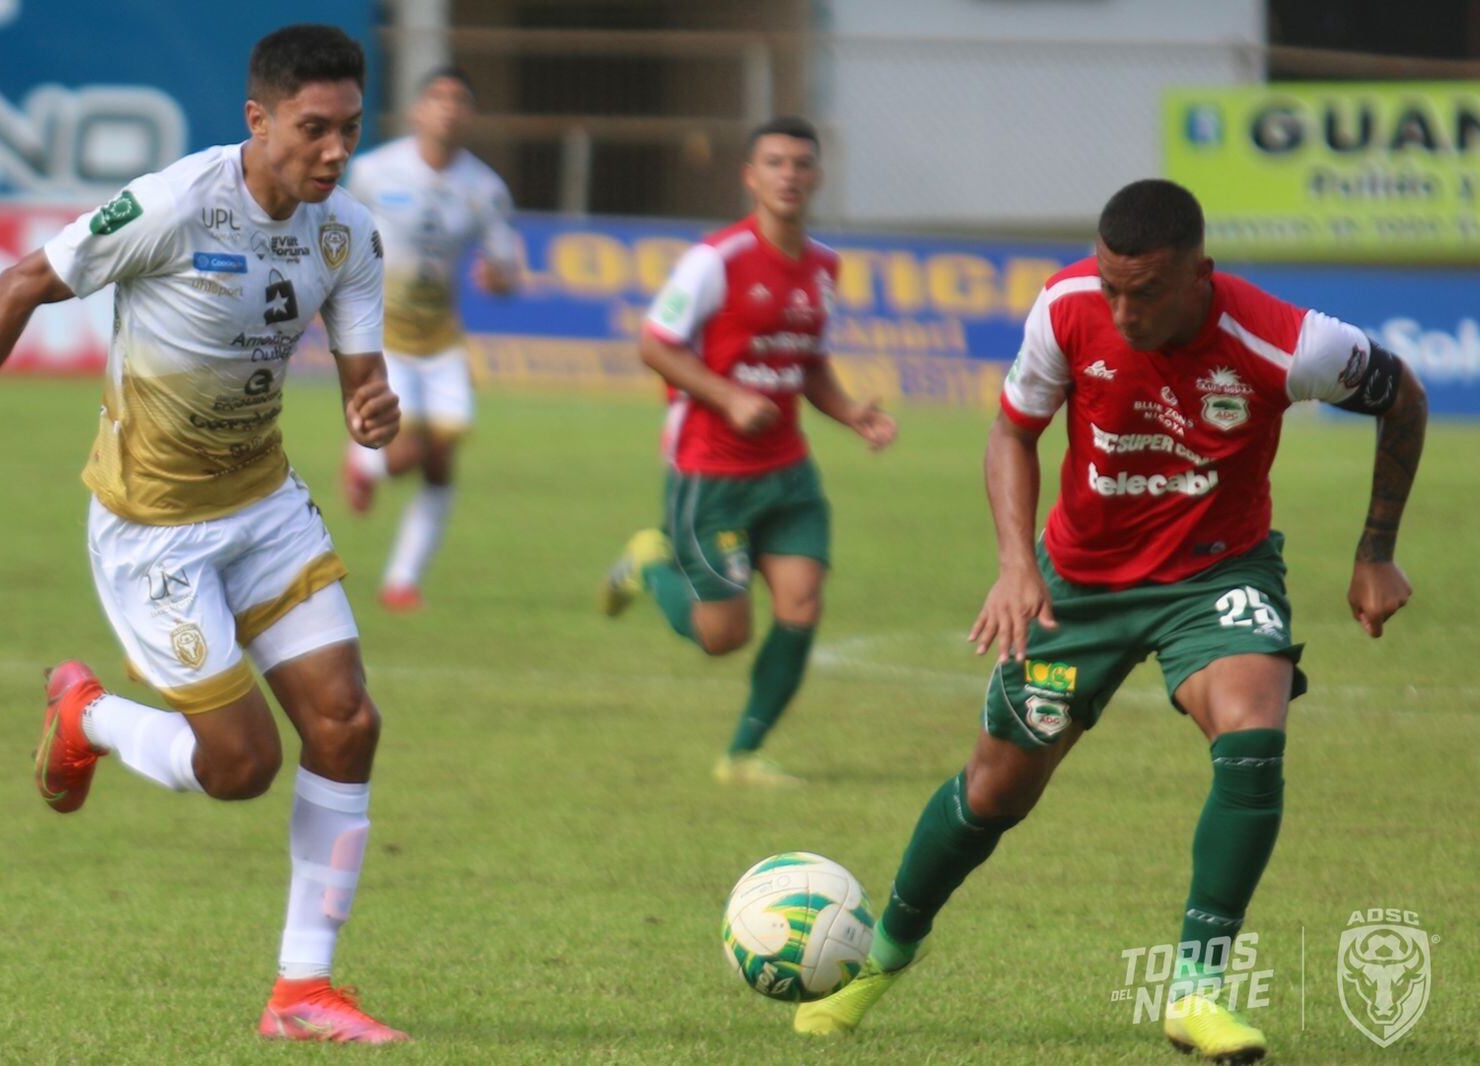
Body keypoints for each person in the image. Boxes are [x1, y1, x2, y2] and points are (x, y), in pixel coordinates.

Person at [793, 179, 1427, 1063]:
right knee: (994, 791)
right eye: (1112, 285)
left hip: (1217, 573)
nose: (1123, 311)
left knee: (1252, 731)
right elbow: (1012, 433)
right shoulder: (1066, 308)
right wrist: (1017, 566)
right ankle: (881, 961)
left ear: (1199, 274)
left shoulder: (1290, 342)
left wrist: (1375, 549)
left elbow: (1405, 398)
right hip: (1079, 582)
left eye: (1147, 291)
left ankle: (1197, 993)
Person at [0, 24, 411, 1044]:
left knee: (346, 723)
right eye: (314, 130)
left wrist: (373, 410)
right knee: (240, 767)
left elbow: (364, 381)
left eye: (349, 129)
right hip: (153, 533)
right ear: (258, 121)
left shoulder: (345, 235)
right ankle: (89, 718)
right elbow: (15, 285)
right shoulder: (174, 204)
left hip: (262, 508)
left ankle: (303, 991)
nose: (336, 152)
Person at [599, 116, 897, 787]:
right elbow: (655, 343)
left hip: (787, 472)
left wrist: (851, 414)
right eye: (775, 162)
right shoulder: (716, 259)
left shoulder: (824, 265)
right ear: (750, 176)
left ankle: (742, 756)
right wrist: (728, 398)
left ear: (817, 176)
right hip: (711, 473)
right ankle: (650, 564)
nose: (789, 174)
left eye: (801, 163)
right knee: (722, 637)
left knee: (802, 603)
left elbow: (808, 360)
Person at [340, 65, 520, 612]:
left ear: (470, 116)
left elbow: (507, 266)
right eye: (437, 97)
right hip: (384, 337)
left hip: (442, 344)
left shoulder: (485, 189)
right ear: (417, 110)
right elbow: (335, 234)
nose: (447, 107)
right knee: (405, 456)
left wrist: (499, 276)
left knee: (441, 462)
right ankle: (366, 462)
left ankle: (402, 580)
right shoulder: (373, 172)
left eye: (459, 100)